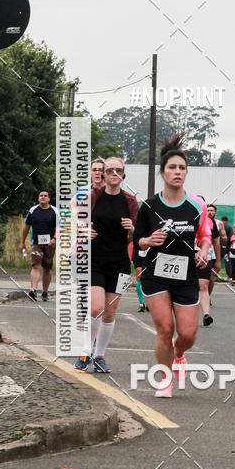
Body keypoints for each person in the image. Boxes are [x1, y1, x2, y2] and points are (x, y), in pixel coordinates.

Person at [133, 134, 211, 398]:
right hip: (155, 274)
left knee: (187, 334)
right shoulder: (149, 206)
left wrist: (202, 251)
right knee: (165, 328)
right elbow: (137, 240)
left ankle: (180, 352)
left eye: (182, 168)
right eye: (172, 168)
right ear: (162, 172)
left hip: (187, 274)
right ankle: (164, 380)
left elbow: (205, 235)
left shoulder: (196, 205)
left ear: (186, 173)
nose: (177, 172)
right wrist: (147, 240)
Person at [74, 157, 138, 373]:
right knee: (95, 308)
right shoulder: (92, 197)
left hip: (119, 262)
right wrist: (82, 229)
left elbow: (138, 235)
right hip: (94, 260)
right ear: (103, 174)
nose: (113, 173)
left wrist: (132, 228)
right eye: (109, 169)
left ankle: (100, 355)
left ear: (123, 175)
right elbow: (75, 218)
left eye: (118, 170)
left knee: (110, 313)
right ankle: (85, 351)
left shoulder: (130, 201)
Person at [19, 190, 62, 302]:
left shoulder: (54, 211)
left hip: (50, 244)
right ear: (38, 198)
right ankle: (33, 289)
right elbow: (26, 228)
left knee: (47, 268)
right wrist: (22, 243)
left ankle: (45, 292)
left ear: (49, 199)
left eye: (45, 196)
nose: (43, 197)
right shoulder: (33, 210)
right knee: (36, 266)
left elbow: (59, 227)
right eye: (41, 196)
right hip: (36, 243)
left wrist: (55, 239)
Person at [197, 198, 221, 325]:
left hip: (205, 257)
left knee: (204, 284)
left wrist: (218, 260)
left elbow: (216, 241)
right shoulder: (186, 217)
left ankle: (206, 315)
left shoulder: (210, 222)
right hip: (187, 257)